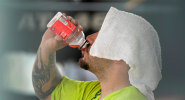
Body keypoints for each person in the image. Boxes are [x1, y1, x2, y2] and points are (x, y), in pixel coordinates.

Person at [32, 7, 161, 100]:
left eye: (102, 37)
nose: (89, 38)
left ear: (120, 55)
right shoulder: (96, 91)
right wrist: (46, 47)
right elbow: (48, 91)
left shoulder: (131, 98)